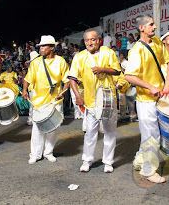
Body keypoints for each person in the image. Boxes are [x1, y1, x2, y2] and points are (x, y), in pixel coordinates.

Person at [124, 14, 169, 183]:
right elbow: (129, 76)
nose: (154, 27)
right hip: (145, 101)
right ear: (142, 28)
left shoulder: (159, 43)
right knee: (152, 136)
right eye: (151, 25)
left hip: (159, 97)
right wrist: (150, 87)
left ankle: (139, 161)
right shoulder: (136, 50)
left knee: (149, 134)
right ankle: (148, 170)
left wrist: (167, 83)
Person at [69, 28, 121, 173]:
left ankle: (108, 162)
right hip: (90, 100)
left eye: (93, 39)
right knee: (90, 132)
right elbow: (72, 78)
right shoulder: (79, 57)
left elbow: (117, 71)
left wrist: (103, 69)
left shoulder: (108, 53)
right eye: (87, 40)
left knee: (110, 132)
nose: (90, 43)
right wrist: (78, 96)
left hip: (108, 99)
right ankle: (87, 160)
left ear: (99, 40)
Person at [22, 35, 70, 164]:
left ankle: (48, 152)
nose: (41, 48)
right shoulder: (36, 62)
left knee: (52, 128)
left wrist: (62, 92)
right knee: (37, 129)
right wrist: (24, 90)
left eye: (44, 46)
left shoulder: (60, 61)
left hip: (54, 101)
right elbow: (27, 79)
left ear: (52, 47)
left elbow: (67, 81)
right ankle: (35, 154)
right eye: (40, 46)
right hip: (39, 101)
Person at [26, 51, 39, 126]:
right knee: (33, 104)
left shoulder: (34, 66)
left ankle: (31, 119)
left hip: (35, 87)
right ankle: (31, 118)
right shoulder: (32, 66)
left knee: (34, 104)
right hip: (33, 87)